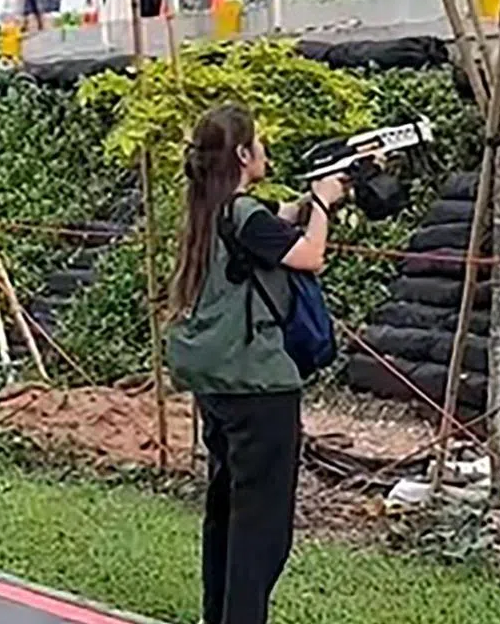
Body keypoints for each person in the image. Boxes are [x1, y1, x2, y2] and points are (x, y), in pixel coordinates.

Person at [165, 104, 345, 624]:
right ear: (243, 154)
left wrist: (305, 205)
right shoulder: (242, 216)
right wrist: (326, 207)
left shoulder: (211, 211)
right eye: (259, 143)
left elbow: (271, 227)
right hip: (260, 386)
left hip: (218, 387)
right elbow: (310, 257)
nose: (264, 151)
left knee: (226, 510)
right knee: (262, 528)